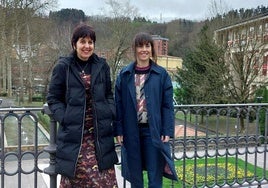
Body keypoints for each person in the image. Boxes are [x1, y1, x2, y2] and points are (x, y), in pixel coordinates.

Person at [46, 23, 118, 188]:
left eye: (90, 42)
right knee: (77, 179)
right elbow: (53, 98)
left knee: (104, 180)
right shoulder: (64, 67)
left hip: (99, 135)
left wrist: (109, 111)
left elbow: (108, 94)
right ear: (74, 44)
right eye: (82, 41)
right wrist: (65, 117)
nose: (87, 46)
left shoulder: (102, 66)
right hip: (75, 137)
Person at [114, 32, 178, 188]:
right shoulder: (124, 75)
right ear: (135, 49)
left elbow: (167, 105)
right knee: (135, 178)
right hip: (131, 133)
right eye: (140, 46)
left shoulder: (161, 74)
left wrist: (167, 130)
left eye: (147, 46)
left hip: (153, 132)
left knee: (155, 176)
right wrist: (119, 130)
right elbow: (118, 105)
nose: (144, 49)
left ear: (152, 49)